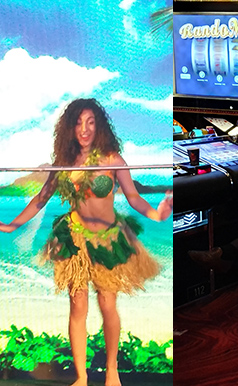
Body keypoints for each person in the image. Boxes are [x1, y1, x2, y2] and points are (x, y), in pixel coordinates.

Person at [0, 98, 170, 386]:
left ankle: (112, 371)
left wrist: (157, 213)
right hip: (74, 238)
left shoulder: (113, 159)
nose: (84, 128)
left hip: (108, 240)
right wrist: (12, 225)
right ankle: (81, 377)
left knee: (107, 304)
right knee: (78, 306)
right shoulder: (63, 164)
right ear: (70, 128)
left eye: (90, 122)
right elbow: (41, 199)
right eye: (78, 122)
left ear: (99, 125)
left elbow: (134, 197)